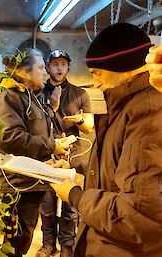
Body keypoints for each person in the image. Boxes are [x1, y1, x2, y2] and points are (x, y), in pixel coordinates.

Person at [50, 23, 162, 257]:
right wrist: (76, 178)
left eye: (97, 73)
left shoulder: (147, 113)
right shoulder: (126, 106)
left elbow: (136, 215)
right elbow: (120, 181)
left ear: (122, 67)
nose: (97, 83)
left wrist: (75, 195)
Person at [0, 48, 69, 257]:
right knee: (14, 243)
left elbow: (35, 134)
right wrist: (51, 145)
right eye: (41, 68)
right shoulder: (9, 99)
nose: (46, 73)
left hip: (32, 182)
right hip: (17, 186)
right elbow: (10, 137)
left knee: (24, 239)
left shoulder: (33, 99)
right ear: (24, 72)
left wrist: (54, 147)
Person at [37, 50, 93, 257]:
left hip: (73, 155)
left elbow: (89, 127)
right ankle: (48, 243)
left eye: (63, 64)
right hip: (47, 153)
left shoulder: (80, 94)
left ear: (68, 67)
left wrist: (78, 119)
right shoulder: (39, 92)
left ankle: (68, 245)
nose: (59, 68)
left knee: (71, 204)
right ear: (47, 67)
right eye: (55, 64)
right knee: (47, 204)